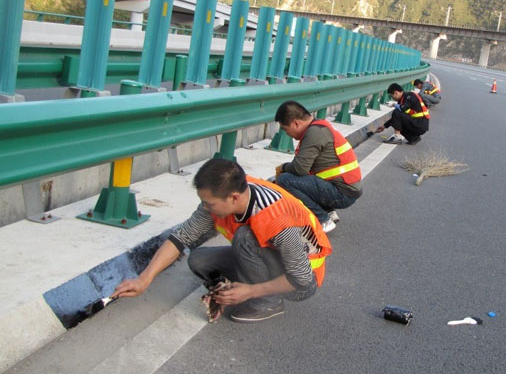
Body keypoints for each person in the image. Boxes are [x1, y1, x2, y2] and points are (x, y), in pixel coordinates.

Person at [112, 158, 332, 323]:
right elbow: (182, 237)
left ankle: (268, 302)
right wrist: (144, 279)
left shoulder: (275, 218)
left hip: (302, 279)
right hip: (272, 261)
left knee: (245, 238)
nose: (205, 208)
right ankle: (231, 289)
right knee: (199, 261)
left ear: (233, 198)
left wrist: (249, 291)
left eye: (209, 203)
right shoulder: (227, 195)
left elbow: (302, 279)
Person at [274, 101, 363, 234]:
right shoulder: (319, 127)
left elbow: (299, 168)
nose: (287, 134)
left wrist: (283, 167)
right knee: (301, 178)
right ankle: (329, 212)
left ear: (296, 123)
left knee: (285, 180)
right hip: (346, 189)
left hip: (343, 193)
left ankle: (322, 219)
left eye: (286, 129)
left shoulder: (314, 133)